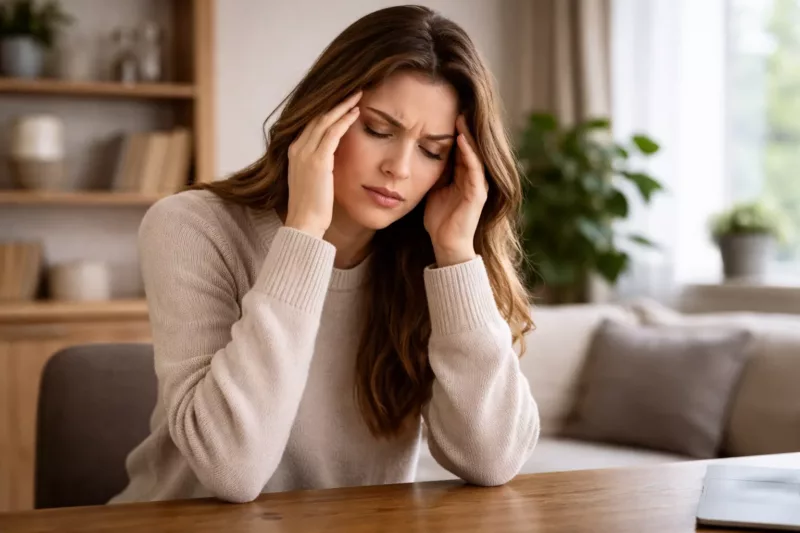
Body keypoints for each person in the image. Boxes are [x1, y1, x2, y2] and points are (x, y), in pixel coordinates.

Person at [110, 4, 539, 505]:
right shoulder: (192, 226)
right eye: (379, 130)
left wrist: (456, 257)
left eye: (432, 150)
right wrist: (305, 235)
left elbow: (493, 460)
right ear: (322, 114)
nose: (399, 168)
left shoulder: (427, 259)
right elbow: (232, 470)